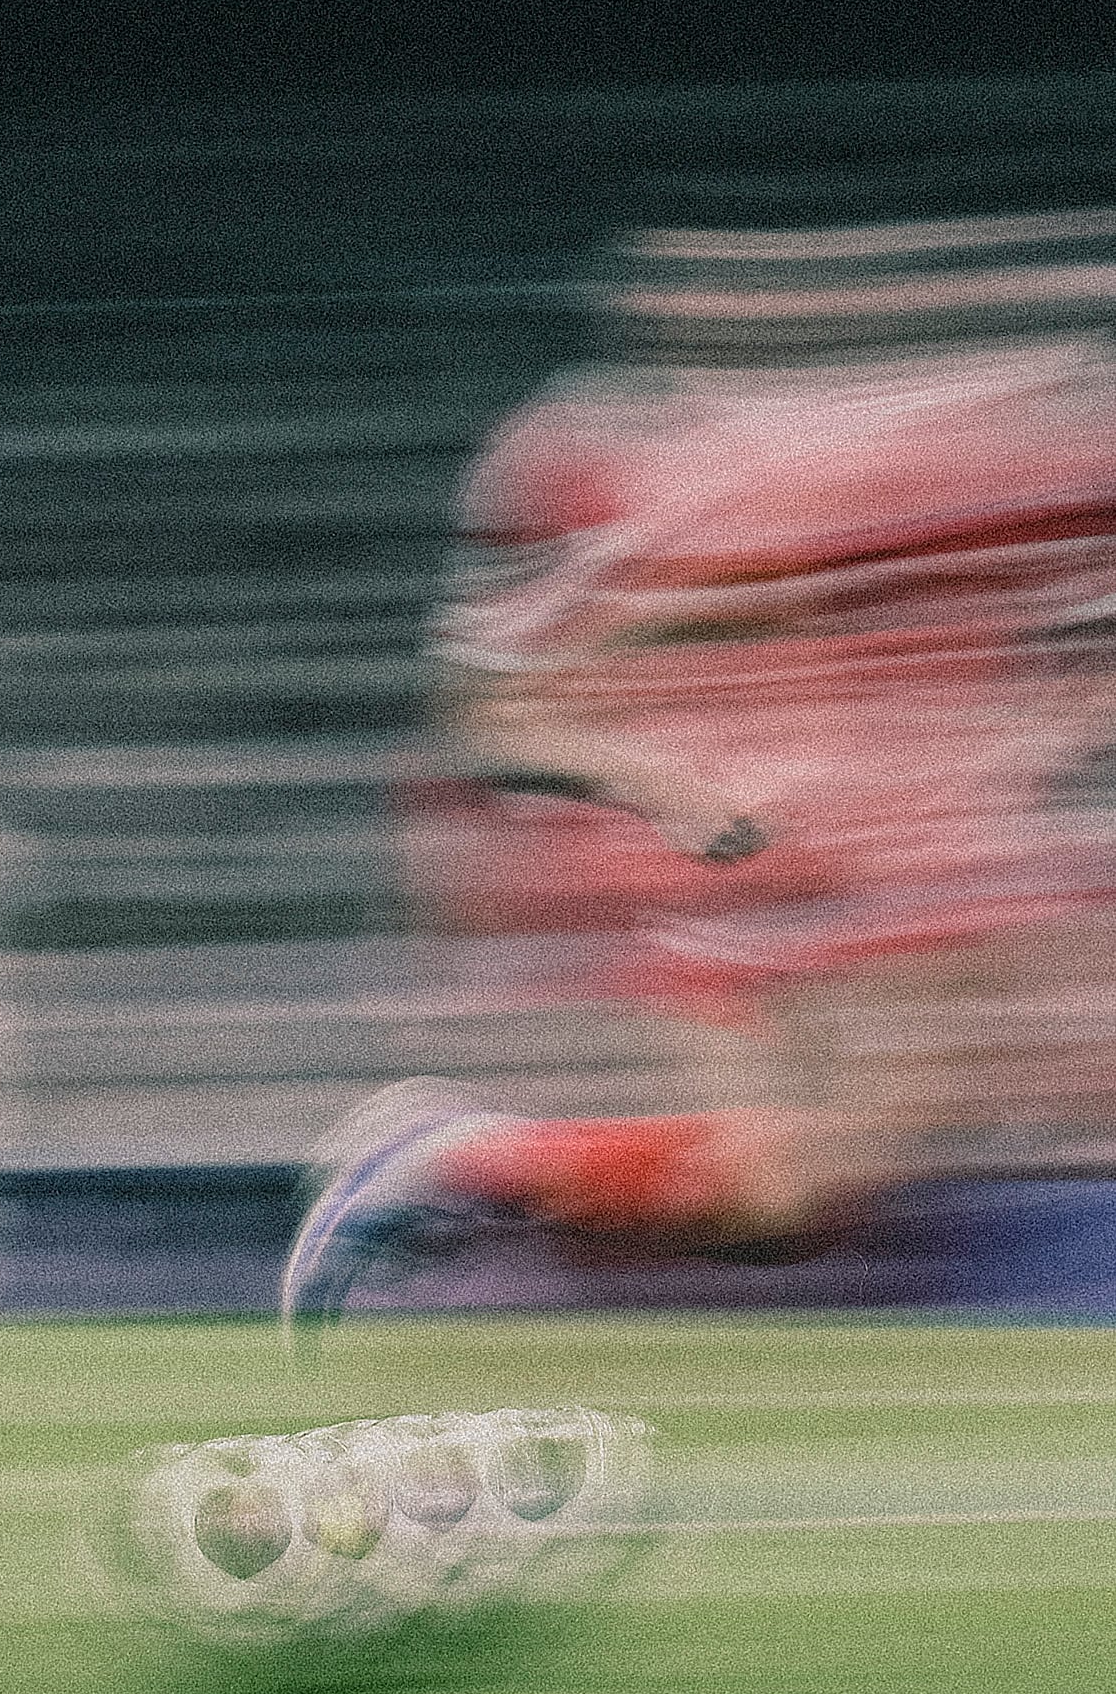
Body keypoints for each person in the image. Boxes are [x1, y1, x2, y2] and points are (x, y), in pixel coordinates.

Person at [286, 162, 1116, 1335]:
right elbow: (492, 701)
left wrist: (1038, 725)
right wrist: (657, 788)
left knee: (801, 1180)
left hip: (884, 855)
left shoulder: (1010, 446)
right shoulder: (609, 465)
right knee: (789, 1171)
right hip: (728, 854)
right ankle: (462, 1163)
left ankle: (473, 1168)